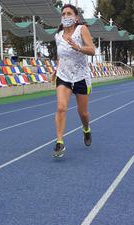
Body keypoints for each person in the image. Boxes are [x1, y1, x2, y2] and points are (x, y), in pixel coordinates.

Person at [52, 4, 96, 158]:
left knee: (82, 113)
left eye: (69, 13)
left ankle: (86, 130)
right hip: (63, 76)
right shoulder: (58, 36)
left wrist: (78, 47)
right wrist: (56, 69)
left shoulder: (81, 29)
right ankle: (59, 142)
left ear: (76, 17)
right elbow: (60, 56)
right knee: (61, 107)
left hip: (80, 77)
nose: (65, 16)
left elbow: (92, 50)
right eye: (63, 14)